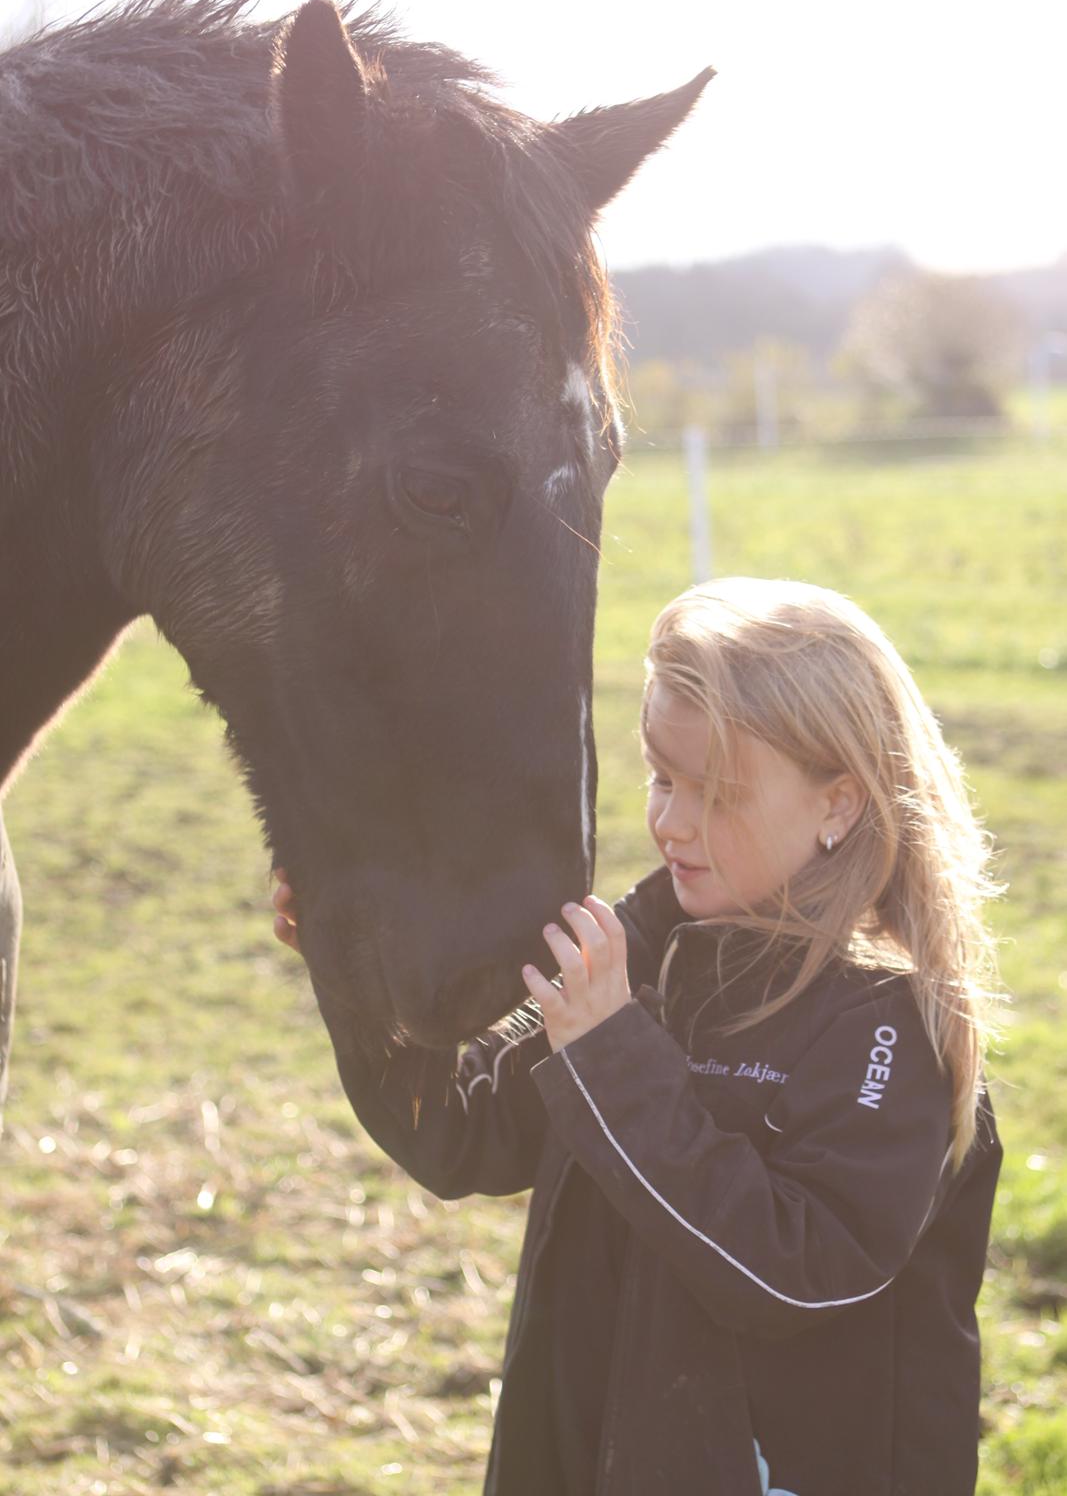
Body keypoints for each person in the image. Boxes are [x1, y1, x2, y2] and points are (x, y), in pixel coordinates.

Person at [272, 577, 1003, 1496]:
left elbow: (797, 1270)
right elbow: (455, 1131)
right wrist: (354, 966)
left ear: (838, 804)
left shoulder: (892, 1023)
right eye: (662, 777)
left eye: (718, 794)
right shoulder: (643, 946)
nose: (670, 822)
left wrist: (612, 1054)